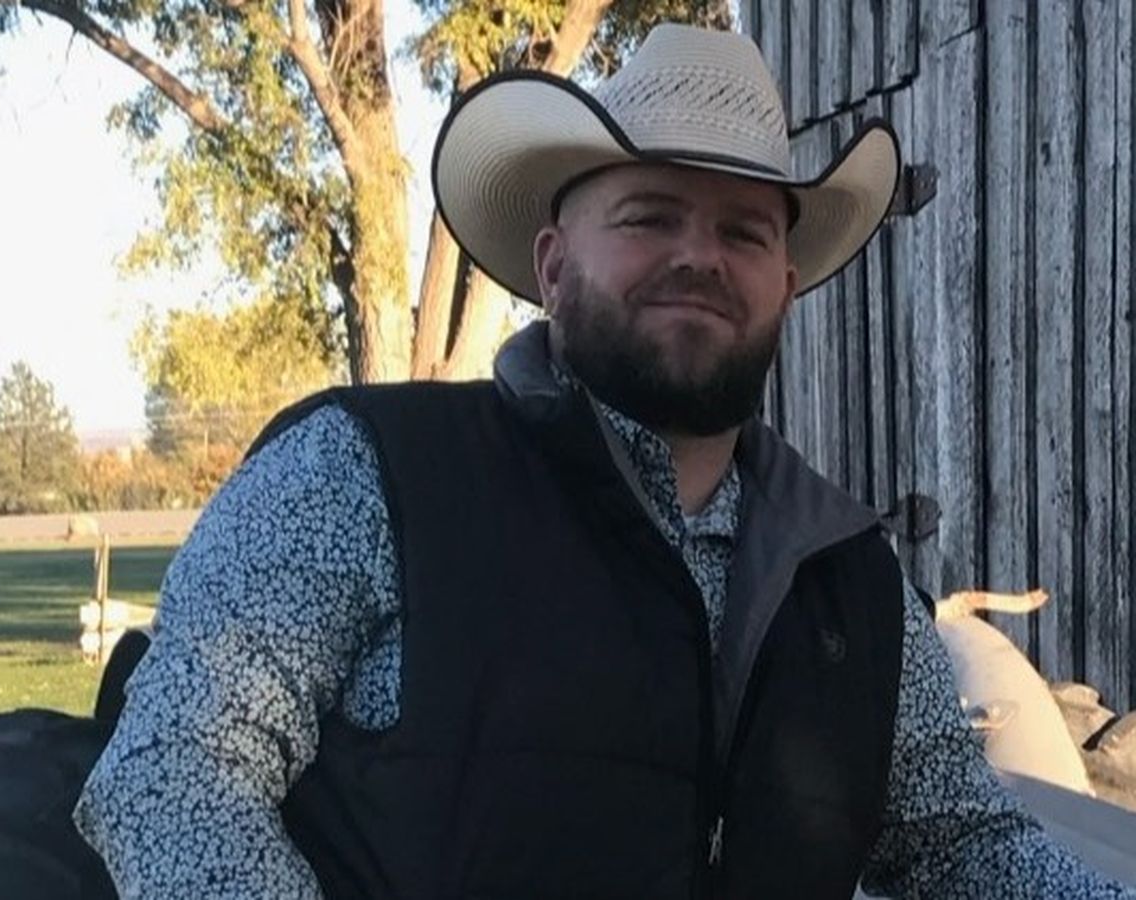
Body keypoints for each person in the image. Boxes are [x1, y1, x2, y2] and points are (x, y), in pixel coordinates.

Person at [74, 23, 1135, 899]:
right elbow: (174, 773)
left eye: (744, 232)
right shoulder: (364, 474)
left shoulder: (854, 583)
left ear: (784, 285)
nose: (699, 256)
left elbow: (965, 847)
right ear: (552, 265)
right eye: (650, 216)